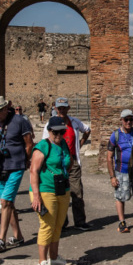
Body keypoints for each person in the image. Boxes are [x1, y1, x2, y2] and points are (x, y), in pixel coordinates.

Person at [0, 96, 33, 253]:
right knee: (8, 203)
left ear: (4, 109)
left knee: (5, 203)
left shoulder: (20, 121)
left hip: (16, 166)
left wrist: (27, 161)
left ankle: (1, 239)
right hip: (1, 167)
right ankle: (18, 236)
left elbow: (29, 144)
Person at [29, 116, 72, 265]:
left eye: (62, 132)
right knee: (47, 225)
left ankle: (53, 257)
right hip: (45, 189)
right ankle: (42, 261)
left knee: (58, 225)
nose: (59, 135)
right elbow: (34, 170)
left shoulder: (64, 144)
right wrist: (36, 195)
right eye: (56, 132)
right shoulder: (43, 146)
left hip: (62, 188)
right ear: (49, 131)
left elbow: (69, 162)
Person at [42, 97, 92, 230]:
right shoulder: (50, 124)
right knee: (60, 192)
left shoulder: (74, 122)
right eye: (59, 108)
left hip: (73, 161)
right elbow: (44, 143)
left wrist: (80, 144)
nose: (62, 110)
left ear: (68, 108)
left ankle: (80, 221)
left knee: (77, 192)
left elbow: (87, 130)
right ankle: (62, 222)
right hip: (57, 163)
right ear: (56, 109)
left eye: (64, 108)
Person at [107, 109, 133, 233]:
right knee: (121, 196)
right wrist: (112, 177)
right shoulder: (115, 135)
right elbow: (109, 157)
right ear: (121, 120)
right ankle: (122, 222)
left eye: (131, 119)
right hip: (122, 170)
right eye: (126, 119)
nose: (129, 122)